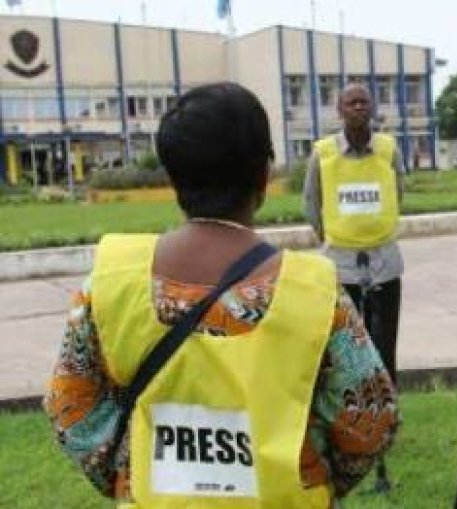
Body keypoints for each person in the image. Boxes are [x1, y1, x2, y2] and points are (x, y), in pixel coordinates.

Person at [44, 83, 398, 507]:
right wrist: (312, 477)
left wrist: (129, 475)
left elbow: (71, 408)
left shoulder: (109, 283)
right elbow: (371, 420)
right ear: (263, 176)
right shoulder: (314, 292)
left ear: (172, 175)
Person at [304, 83, 405, 388]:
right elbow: (311, 201)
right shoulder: (323, 154)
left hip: (385, 261)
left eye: (364, 102)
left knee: (385, 342)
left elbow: (398, 192)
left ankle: (388, 405)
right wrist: (330, 236)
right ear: (340, 110)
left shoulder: (388, 149)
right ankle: (352, 410)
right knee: (346, 343)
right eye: (351, 103)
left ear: (372, 108)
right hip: (341, 263)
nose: (359, 107)